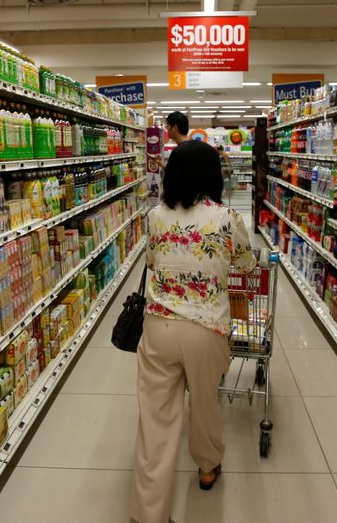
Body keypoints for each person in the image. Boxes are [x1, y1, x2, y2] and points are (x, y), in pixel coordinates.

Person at [130, 141, 257, 523]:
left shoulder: (154, 216)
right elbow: (248, 265)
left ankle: (148, 514)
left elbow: (153, 262)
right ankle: (206, 465)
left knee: (155, 421)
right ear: (212, 176)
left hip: (159, 327)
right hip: (206, 328)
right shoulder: (226, 218)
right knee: (204, 403)